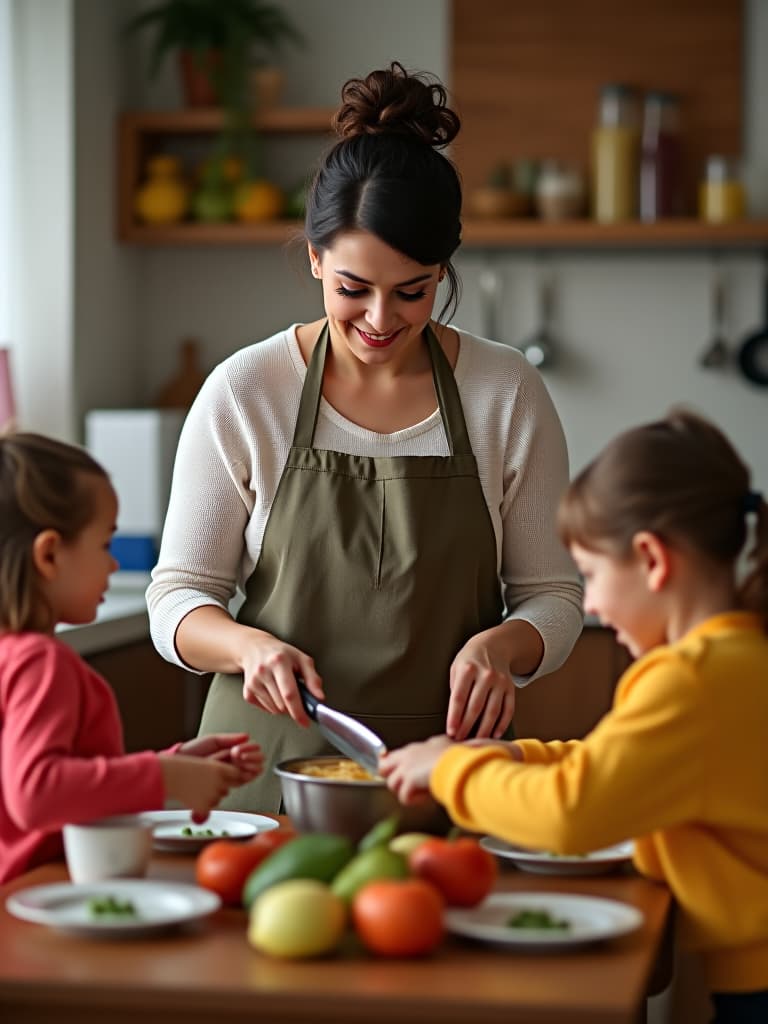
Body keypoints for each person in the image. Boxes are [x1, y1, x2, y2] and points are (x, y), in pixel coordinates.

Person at [146, 61, 583, 813]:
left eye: (411, 292)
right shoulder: (247, 392)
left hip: (447, 776)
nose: (380, 320)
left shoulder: (505, 392)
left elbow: (553, 596)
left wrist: (504, 648)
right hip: (264, 774)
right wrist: (247, 646)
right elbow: (177, 597)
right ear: (314, 257)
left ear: (442, 272)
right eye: (353, 289)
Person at [380, 409, 768, 1023]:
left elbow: (573, 811)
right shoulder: (737, 659)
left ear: (652, 559)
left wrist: (452, 769)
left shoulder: (691, 679)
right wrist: (514, 755)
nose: (593, 603)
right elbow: (615, 766)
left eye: (590, 575)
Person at [0, 432, 263, 884]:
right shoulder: (39, 663)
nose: (114, 565)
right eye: (104, 545)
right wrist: (166, 776)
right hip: (35, 894)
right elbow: (36, 792)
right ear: (48, 555)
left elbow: (69, 783)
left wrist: (178, 762)